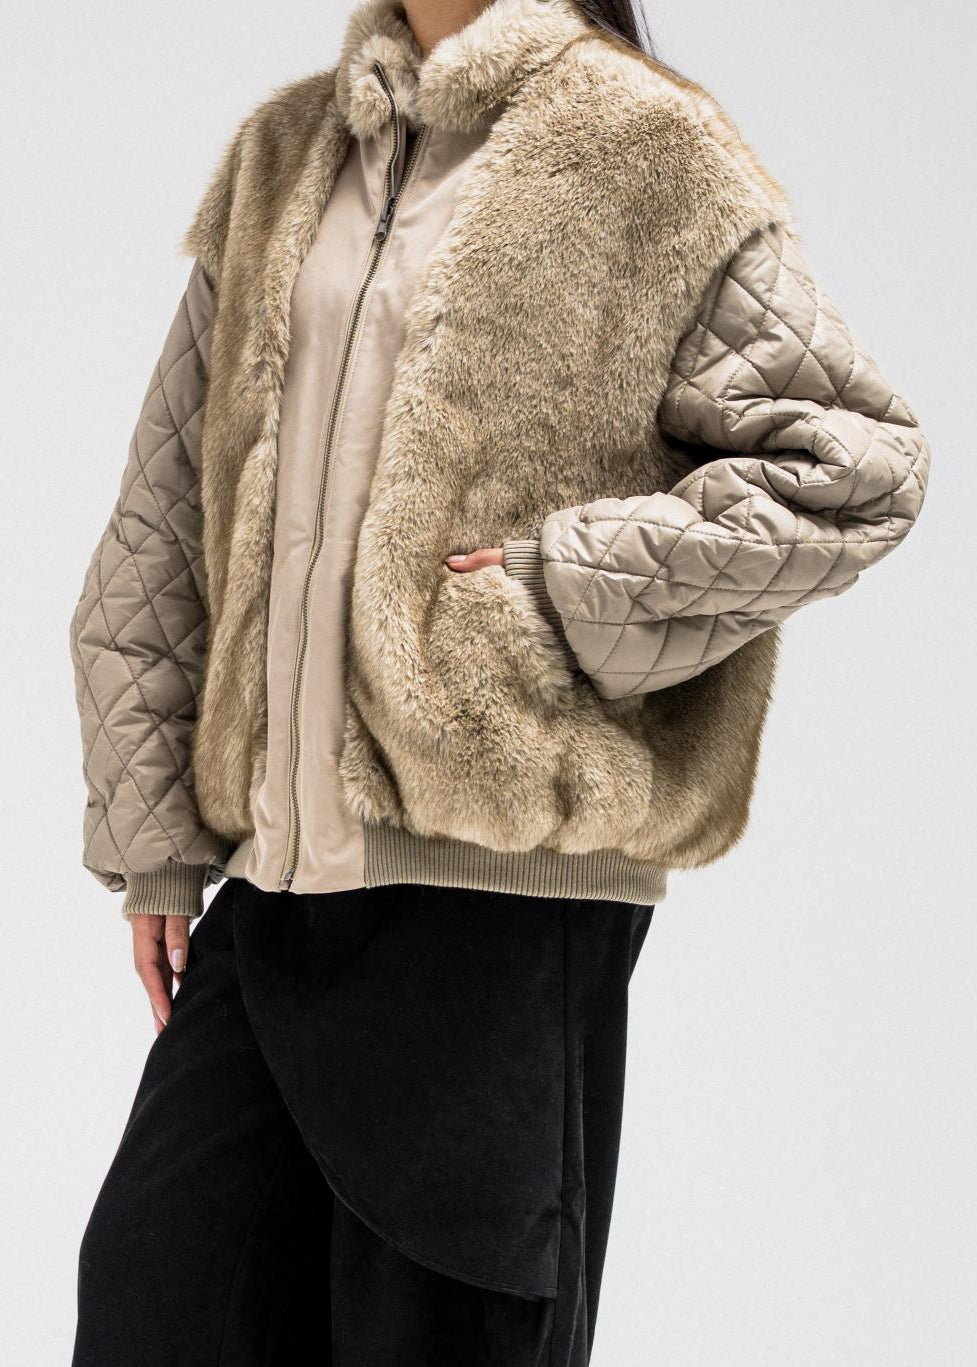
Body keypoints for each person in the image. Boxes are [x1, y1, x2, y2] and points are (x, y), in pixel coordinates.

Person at [67, 0, 930, 1362]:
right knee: (153, 1299)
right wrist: (155, 839)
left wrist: (557, 586)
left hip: (498, 918)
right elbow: (165, 514)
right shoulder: (287, 153)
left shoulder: (644, 148)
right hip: (274, 896)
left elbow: (853, 466)